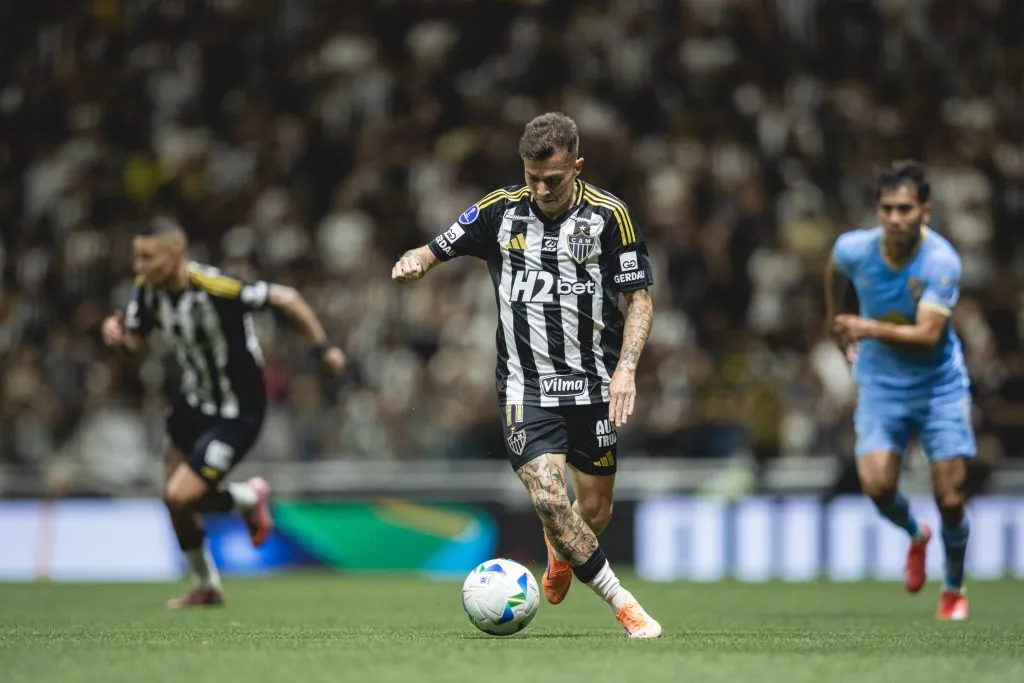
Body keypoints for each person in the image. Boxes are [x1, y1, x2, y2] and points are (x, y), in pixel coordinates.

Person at [391, 112, 661, 637]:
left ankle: (560, 556)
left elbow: (639, 299)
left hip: (593, 384)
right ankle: (624, 604)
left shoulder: (610, 216)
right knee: (547, 497)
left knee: (594, 509)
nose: (540, 189)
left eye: (553, 180)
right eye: (531, 177)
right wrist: (415, 261)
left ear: (576, 167)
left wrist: (625, 371)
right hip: (525, 385)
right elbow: (434, 246)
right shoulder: (499, 211)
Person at [101, 217, 346, 608]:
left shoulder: (217, 286)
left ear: (175, 254)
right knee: (174, 500)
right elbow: (134, 343)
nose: (139, 267)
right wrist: (117, 337)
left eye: (147, 257)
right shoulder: (147, 291)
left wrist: (324, 349)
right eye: (136, 257)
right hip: (193, 402)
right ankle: (209, 583)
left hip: (238, 410)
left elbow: (287, 299)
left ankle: (248, 498)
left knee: (182, 497)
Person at [827, 160, 973, 620]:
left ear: (924, 212)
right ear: (878, 209)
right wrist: (837, 328)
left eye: (905, 209)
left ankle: (953, 589)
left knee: (950, 497)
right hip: (882, 384)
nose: (895, 218)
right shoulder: (853, 249)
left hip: (939, 388)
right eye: (887, 208)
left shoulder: (941, 261)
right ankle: (916, 533)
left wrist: (862, 326)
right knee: (875, 485)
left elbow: (929, 334)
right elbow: (834, 274)